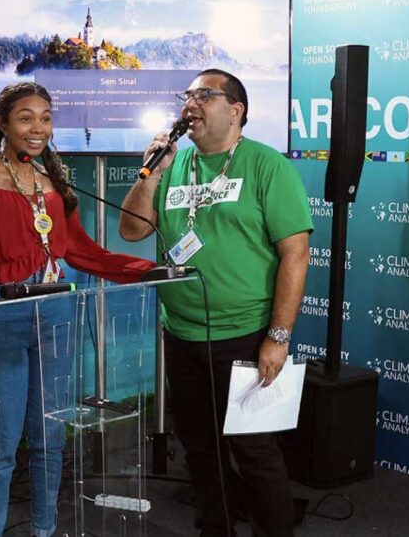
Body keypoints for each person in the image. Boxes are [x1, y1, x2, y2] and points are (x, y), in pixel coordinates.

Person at [0, 82, 155, 537]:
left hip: (56, 312)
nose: (38, 128)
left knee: (50, 439)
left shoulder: (53, 183)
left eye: (45, 117)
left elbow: (83, 252)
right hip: (6, 314)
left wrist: (146, 269)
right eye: (25, 118)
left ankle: (45, 529)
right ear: (2, 124)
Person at [120, 69, 312, 537]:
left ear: (236, 110)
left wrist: (278, 337)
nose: (191, 103)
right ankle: (217, 527)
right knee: (200, 448)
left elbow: (296, 255)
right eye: (188, 95)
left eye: (204, 95)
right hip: (182, 333)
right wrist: (152, 173)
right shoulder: (174, 164)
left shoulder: (267, 166)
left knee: (254, 450)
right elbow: (132, 230)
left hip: (245, 335)